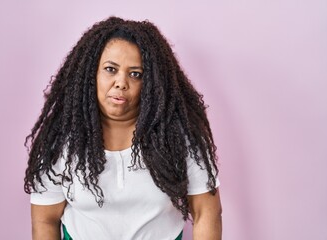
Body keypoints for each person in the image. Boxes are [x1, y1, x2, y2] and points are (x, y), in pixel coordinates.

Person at [24, 16, 222, 240]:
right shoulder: (59, 142)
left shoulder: (178, 138)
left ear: (152, 83)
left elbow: (207, 211)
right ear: (91, 74)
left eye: (135, 74)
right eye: (110, 69)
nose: (121, 82)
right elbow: (45, 219)